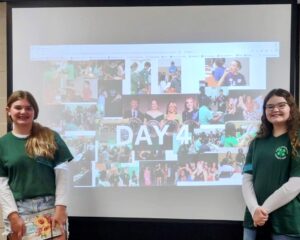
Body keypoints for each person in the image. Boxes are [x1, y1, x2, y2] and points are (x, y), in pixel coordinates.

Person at [0, 90, 73, 240]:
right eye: (18, 107)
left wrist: (60, 208)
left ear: (35, 111)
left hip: (51, 207)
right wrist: (13, 216)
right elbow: (2, 185)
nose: (23, 112)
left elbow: (62, 175)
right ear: (8, 111)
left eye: (28, 108)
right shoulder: (2, 144)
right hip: (18, 210)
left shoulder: (50, 137)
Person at [242, 88, 300, 239]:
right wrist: (255, 210)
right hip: (253, 219)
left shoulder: (297, 140)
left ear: (291, 108)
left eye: (281, 105)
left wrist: (263, 210)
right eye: (270, 106)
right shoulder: (256, 142)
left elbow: (296, 183)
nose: (275, 109)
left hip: (285, 222)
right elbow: (247, 179)